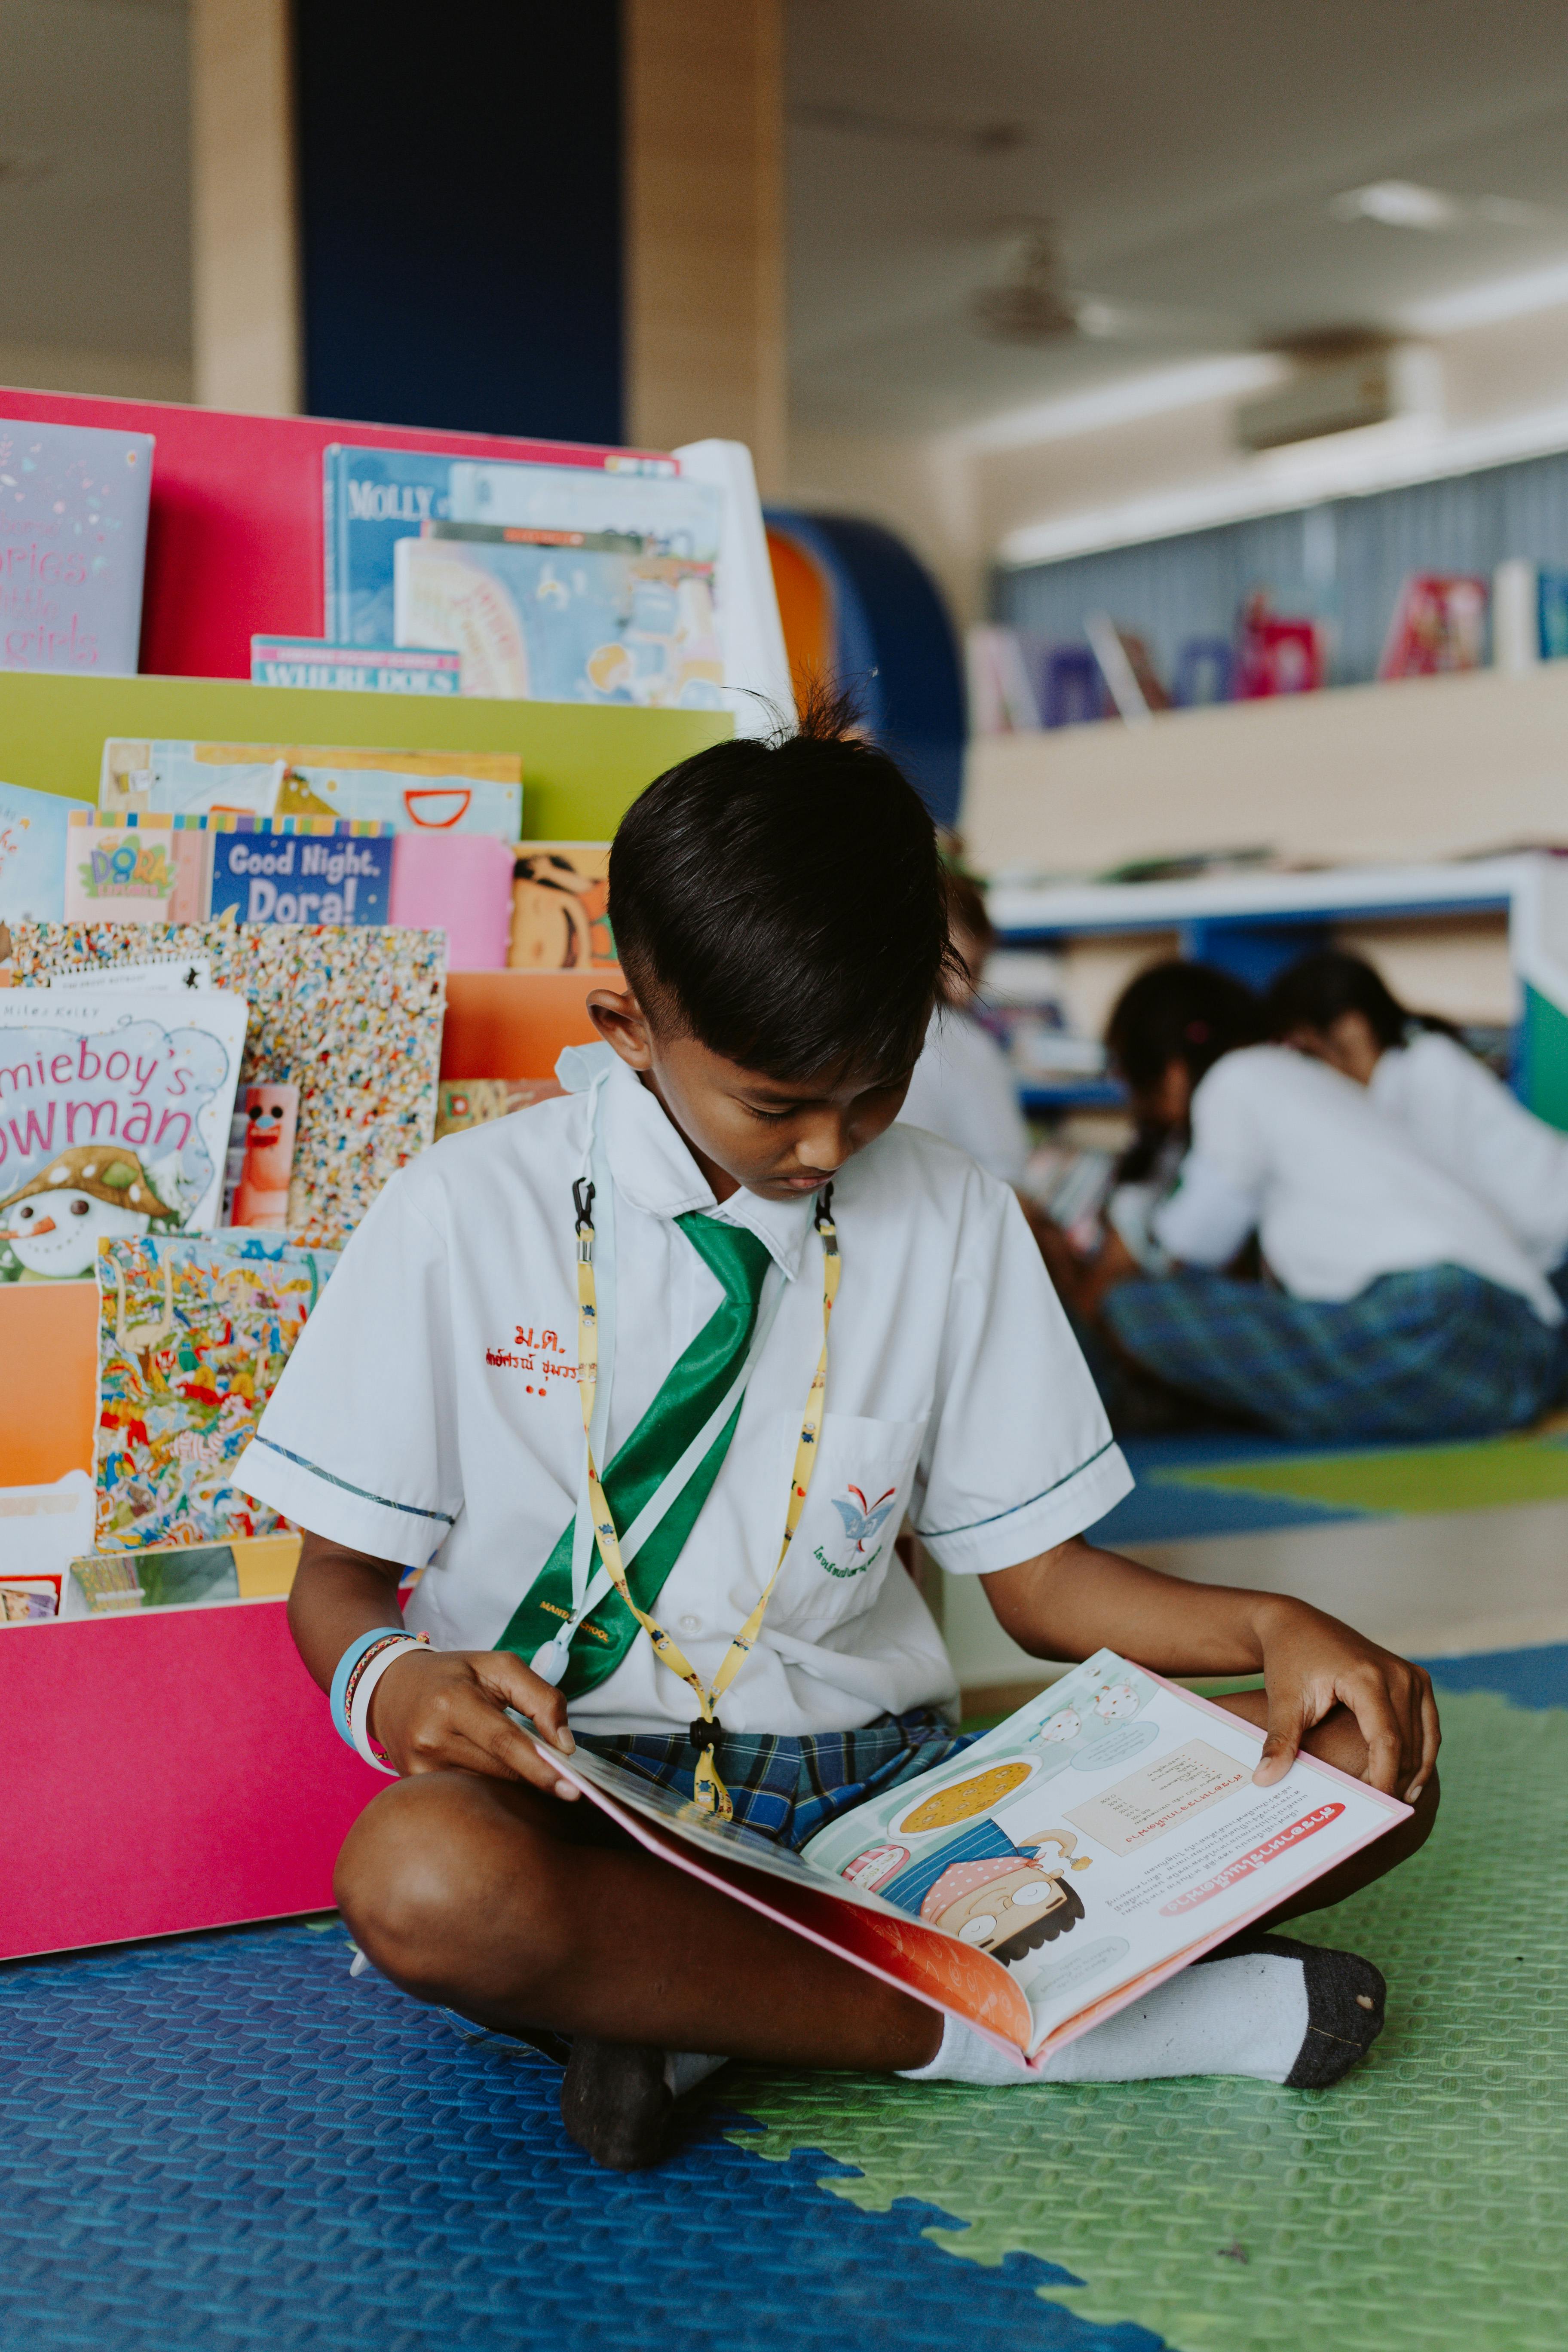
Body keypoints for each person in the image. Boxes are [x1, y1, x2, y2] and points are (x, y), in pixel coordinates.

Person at [238, 705, 1438, 2174]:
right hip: (587, 1797)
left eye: (874, 1091)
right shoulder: (458, 1212)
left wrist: (1273, 1622)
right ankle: (1041, 2035)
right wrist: (396, 1680)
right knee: (422, 1876)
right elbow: (334, 1585)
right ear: (630, 1027)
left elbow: (1039, 1584)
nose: (824, 1148)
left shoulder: (947, 1211)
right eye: (775, 1103)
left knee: (1366, 1750)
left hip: (889, 1803)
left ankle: (697, 2012)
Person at [1054, 960, 1566, 1442]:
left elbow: (1192, 1242)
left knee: (1135, 1310)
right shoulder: (1319, 1081)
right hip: (1528, 1348)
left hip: (1438, 1323)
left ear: (1169, 1071)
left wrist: (1124, 1246)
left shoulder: (1237, 1079)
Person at [1268, 948, 1568, 1303]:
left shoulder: (1427, 1068)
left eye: (1305, 1049)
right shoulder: (1382, 1095)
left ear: (1352, 1028)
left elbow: (1453, 1201)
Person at [896, 867, 1031, 1186]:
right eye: (964, 967)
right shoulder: (965, 1042)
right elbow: (1008, 1173)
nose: (973, 987)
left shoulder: (861, 1032)